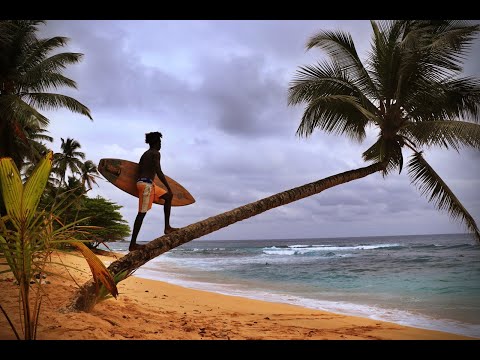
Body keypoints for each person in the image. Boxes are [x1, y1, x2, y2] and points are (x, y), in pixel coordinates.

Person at [129, 131, 178, 252]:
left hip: (147, 184)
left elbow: (139, 170)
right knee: (141, 213)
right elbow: (159, 171)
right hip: (146, 185)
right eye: (160, 142)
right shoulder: (155, 153)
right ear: (155, 142)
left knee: (168, 197)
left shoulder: (145, 154)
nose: (161, 145)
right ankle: (132, 244)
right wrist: (168, 186)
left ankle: (167, 227)